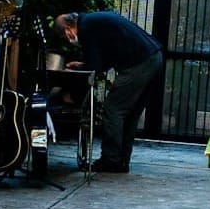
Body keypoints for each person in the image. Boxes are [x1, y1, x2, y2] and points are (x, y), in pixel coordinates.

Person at [55, 10, 163, 172]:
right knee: (130, 113)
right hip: (152, 57)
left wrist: (73, 93)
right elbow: (102, 59)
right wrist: (83, 65)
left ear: (68, 29)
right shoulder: (92, 22)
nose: (68, 39)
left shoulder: (86, 28)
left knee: (113, 108)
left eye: (65, 37)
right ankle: (121, 160)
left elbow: (94, 68)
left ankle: (111, 159)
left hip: (139, 63)